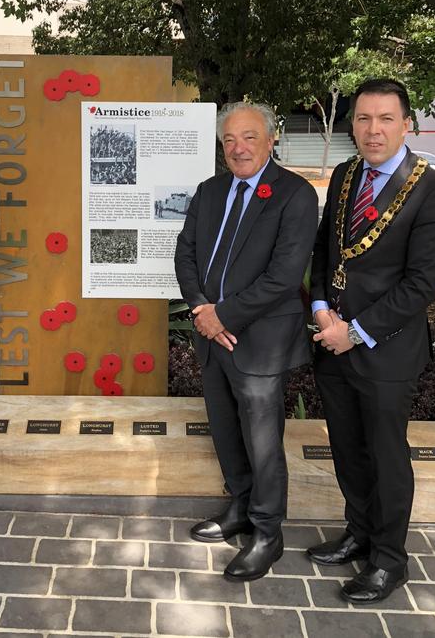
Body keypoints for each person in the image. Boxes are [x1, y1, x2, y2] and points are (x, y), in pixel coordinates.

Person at [308, 78, 435, 604]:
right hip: (332, 339)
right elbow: (328, 249)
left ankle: (390, 560)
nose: (374, 130)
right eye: (364, 119)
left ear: (407, 124)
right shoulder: (348, 174)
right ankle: (359, 533)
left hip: (386, 349)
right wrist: (322, 308)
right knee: (347, 450)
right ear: (352, 124)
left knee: (386, 457)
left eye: (386, 119)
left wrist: (356, 332)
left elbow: (422, 284)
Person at [174, 102, 318, 581]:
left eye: (250, 137)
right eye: (230, 139)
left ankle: (267, 532)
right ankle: (239, 506)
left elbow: (283, 276)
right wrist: (201, 311)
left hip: (259, 341)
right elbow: (186, 252)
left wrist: (223, 315)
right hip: (212, 335)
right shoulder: (210, 190)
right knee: (225, 428)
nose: (239, 148)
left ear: (271, 139)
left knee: (262, 441)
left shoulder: (294, 195)